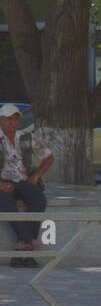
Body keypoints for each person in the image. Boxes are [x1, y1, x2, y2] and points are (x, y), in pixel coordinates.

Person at [0, 103, 53, 268]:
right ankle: (30, 243)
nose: (12, 123)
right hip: (3, 182)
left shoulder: (26, 138)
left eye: (15, 119)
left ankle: (21, 246)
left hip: (24, 181)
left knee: (39, 199)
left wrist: (36, 176)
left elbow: (49, 157)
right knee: (4, 202)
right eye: (8, 119)